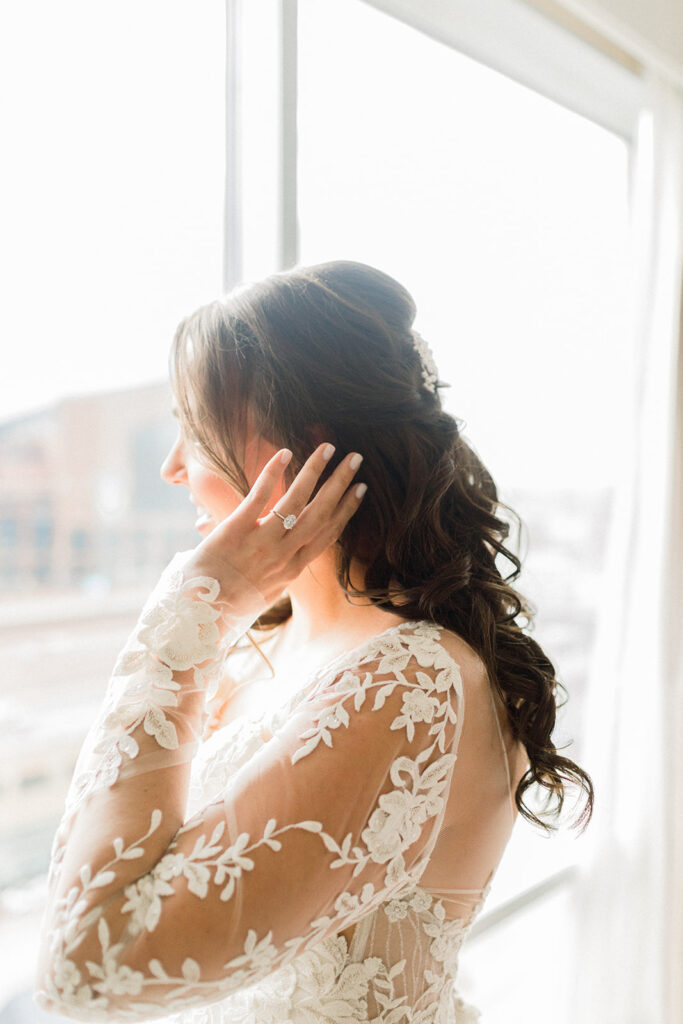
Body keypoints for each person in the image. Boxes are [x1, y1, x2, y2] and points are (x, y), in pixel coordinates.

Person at [34, 260, 593, 1023]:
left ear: (305, 447)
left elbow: (84, 970)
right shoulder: (254, 648)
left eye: (193, 430)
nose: (172, 468)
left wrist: (183, 615)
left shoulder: (410, 682)